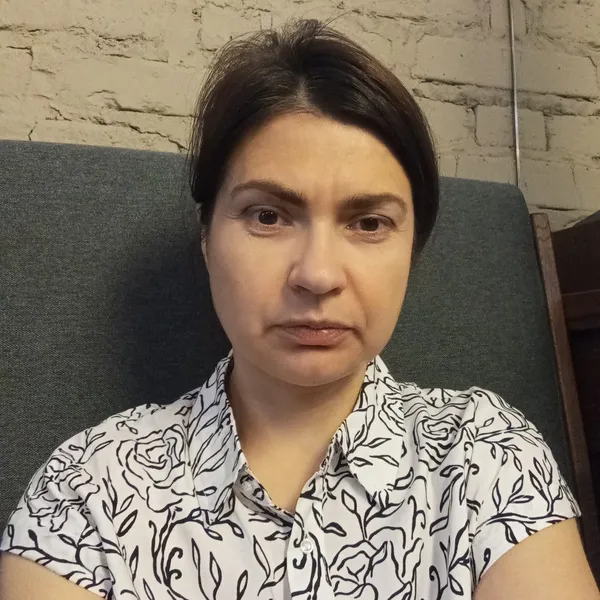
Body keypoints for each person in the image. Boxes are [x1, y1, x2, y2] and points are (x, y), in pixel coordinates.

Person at [1, 16, 598, 600]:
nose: (317, 275)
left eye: (369, 223)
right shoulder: (90, 485)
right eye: (268, 216)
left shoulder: (485, 456)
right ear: (207, 237)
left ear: (413, 250)